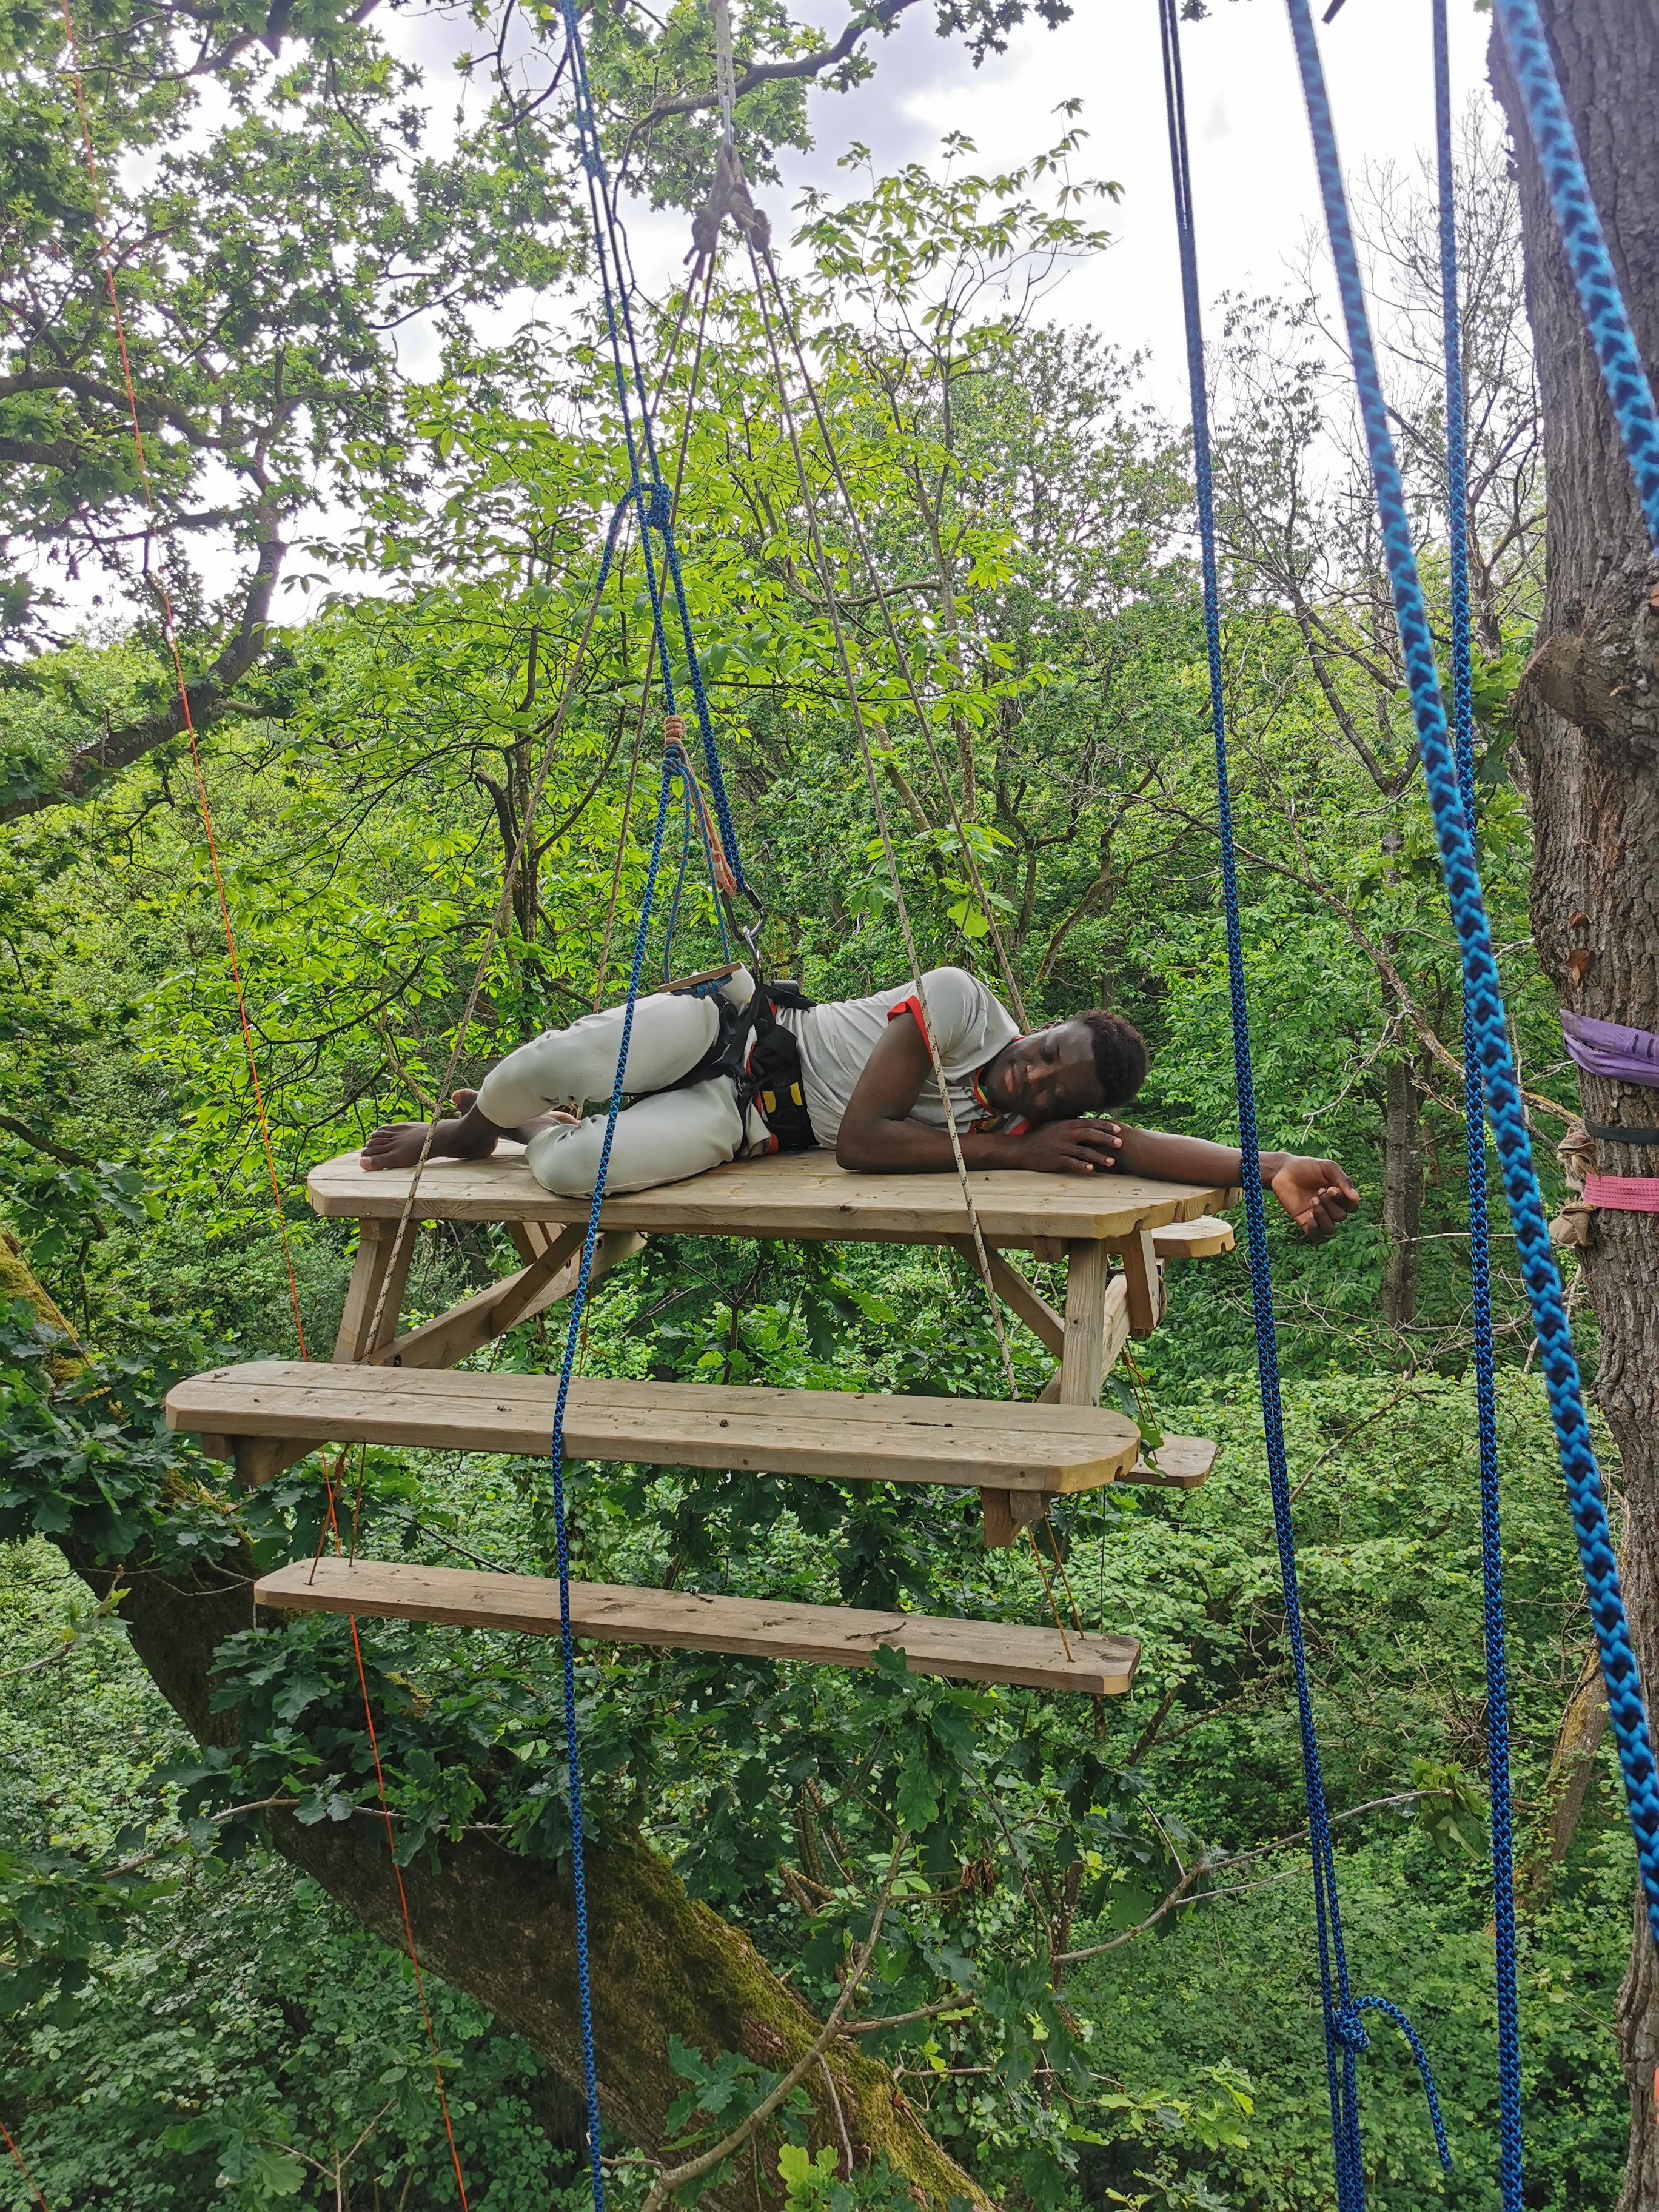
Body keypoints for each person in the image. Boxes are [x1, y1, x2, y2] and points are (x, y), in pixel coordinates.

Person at [360, 964, 1359, 1237]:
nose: (1037, 1077)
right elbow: (866, 1143)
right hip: (733, 1034)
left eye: (1060, 1091)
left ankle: (537, 1132)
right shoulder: (961, 1002)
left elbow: (1133, 1145)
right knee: (540, 1062)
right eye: (1049, 1052)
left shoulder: (1032, 1124)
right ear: (1043, 1025)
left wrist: (1270, 1167)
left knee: (578, 1168)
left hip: (749, 1123)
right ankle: (469, 1129)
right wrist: (1011, 1151)